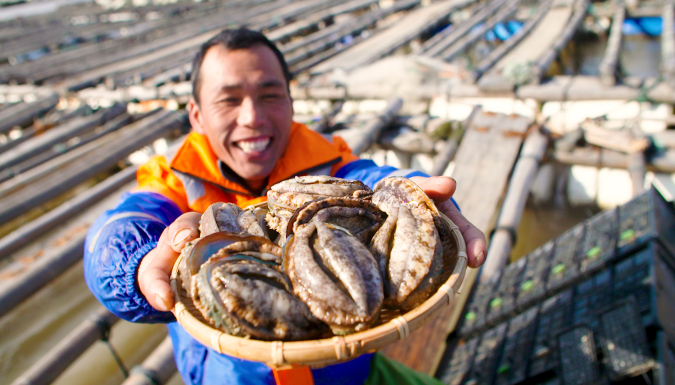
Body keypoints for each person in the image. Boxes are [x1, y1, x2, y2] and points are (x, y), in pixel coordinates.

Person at [84, 28, 487, 385]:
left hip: (348, 378)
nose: (252, 117)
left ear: (291, 102)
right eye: (228, 100)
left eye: (270, 95)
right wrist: (135, 268)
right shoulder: (172, 184)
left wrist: (413, 188)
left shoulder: (328, 165)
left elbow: (373, 177)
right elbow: (116, 228)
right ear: (197, 115)